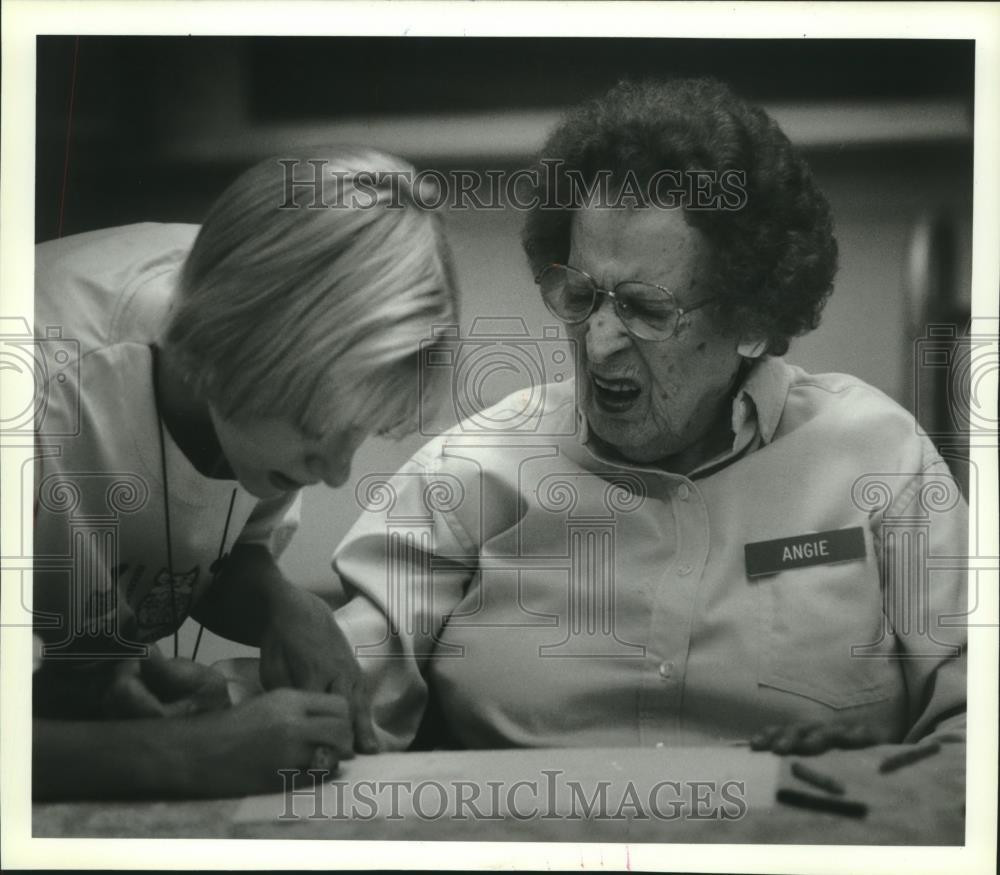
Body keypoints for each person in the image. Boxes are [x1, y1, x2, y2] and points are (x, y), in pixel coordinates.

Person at [328, 79, 967, 754]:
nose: (599, 342)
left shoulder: (878, 459)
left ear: (751, 318)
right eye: (579, 293)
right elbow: (333, 704)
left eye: (647, 308)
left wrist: (886, 767)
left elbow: (974, 732)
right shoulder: (466, 475)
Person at [32, 147, 459, 797]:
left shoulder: (252, 384)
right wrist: (187, 755)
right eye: (320, 428)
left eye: (361, 431)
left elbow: (212, 542)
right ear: (241, 348)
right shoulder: (34, 374)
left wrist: (274, 602)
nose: (338, 472)